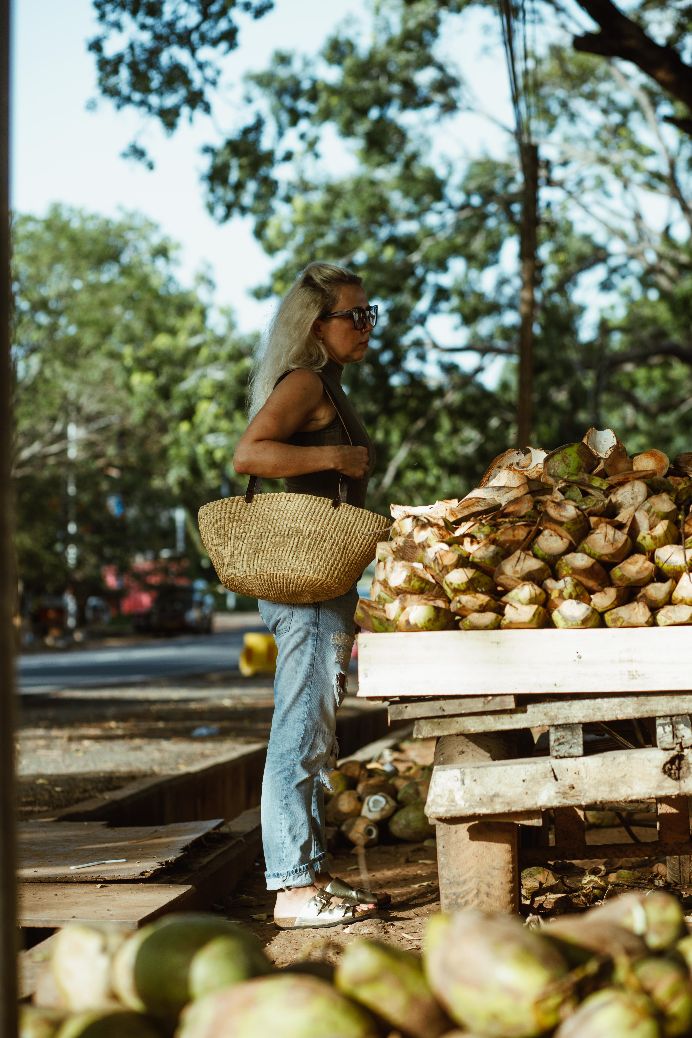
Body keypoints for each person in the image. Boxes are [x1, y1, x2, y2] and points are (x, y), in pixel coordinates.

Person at [233, 262, 384, 929]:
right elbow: (251, 455)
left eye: (368, 313)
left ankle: (309, 873)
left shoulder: (329, 384)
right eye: (354, 315)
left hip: (327, 581)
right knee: (298, 729)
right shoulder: (304, 381)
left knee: (314, 729)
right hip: (305, 584)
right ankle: (292, 886)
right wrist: (334, 459)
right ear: (315, 326)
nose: (365, 326)